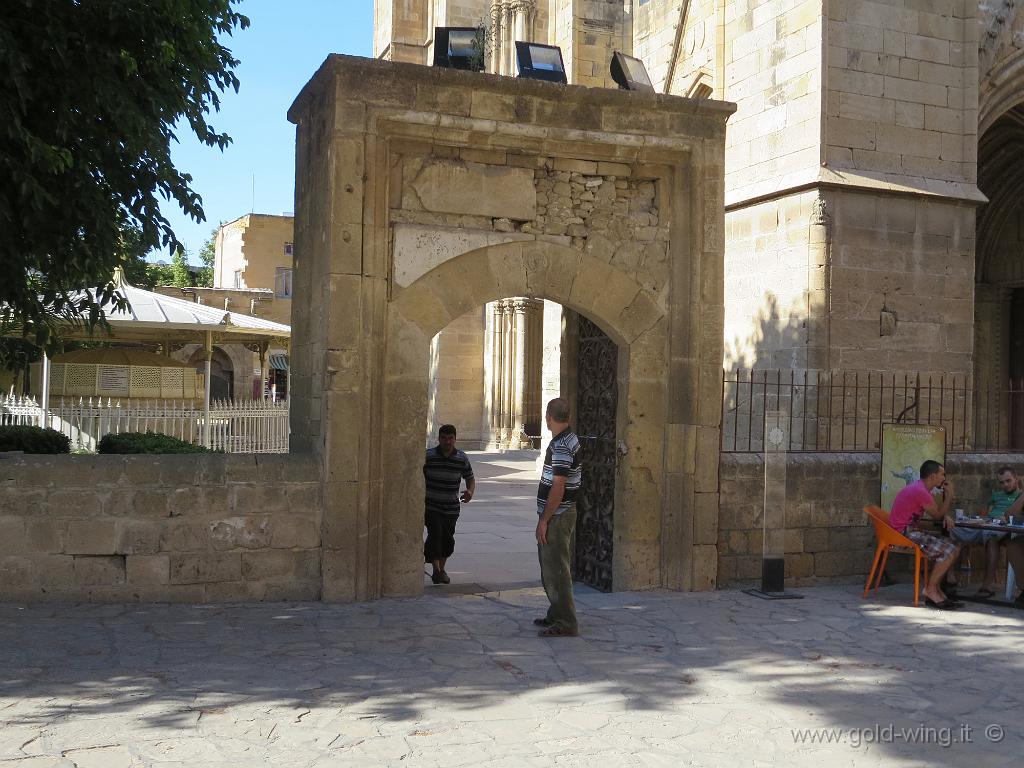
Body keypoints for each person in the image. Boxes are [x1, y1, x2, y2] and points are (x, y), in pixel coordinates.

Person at [534, 397, 582, 638]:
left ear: (548, 417)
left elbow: (558, 486)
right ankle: (556, 612)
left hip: (559, 515)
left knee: (556, 569)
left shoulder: (562, 445)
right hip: (562, 513)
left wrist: (544, 519)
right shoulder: (568, 438)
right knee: (551, 566)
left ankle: (566, 621)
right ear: (569, 417)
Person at [888, 460, 961, 609]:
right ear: (933, 476)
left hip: (905, 531)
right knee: (949, 549)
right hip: (902, 534)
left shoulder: (919, 488)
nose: (944, 478)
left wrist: (943, 515)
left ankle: (935, 588)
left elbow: (938, 513)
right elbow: (937, 515)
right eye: (942, 474)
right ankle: (930, 589)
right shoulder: (921, 491)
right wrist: (949, 496)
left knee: (954, 545)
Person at [950, 465, 1020, 598]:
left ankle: (986, 586)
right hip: (987, 522)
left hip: (1006, 527)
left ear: (1016, 479)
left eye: (1008, 481)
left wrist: (1004, 519)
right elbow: (985, 512)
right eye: (1002, 482)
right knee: (953, 529)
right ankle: (950, 577)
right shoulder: (996, 495)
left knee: (991, 536)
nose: (1005, 485)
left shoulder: (1021, 496)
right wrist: (978, 519)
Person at [423, 424, 474, 585]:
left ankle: (442, 569)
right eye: (444, 438)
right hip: (432, 506)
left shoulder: (461, 458)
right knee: (435, 535)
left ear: (455, 439)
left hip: (451, 507)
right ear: (439, 439)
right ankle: (436, 570)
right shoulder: (429, 456)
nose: (447, 442)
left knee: (447, 539)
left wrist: (470, 492)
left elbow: (470, 478)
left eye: (450, 438)